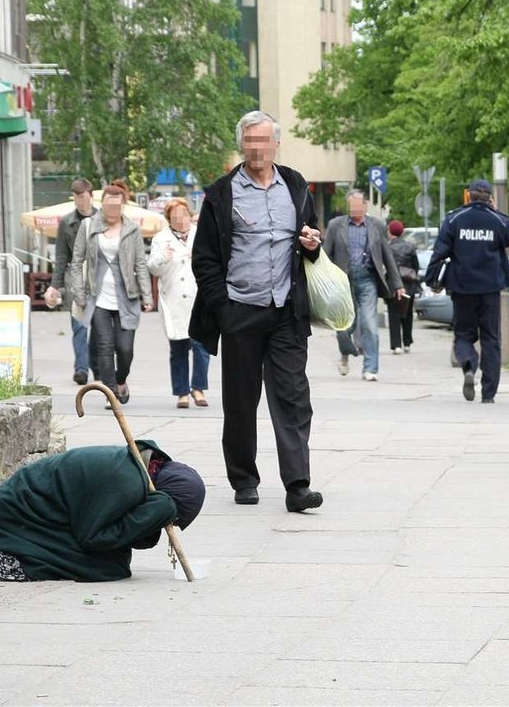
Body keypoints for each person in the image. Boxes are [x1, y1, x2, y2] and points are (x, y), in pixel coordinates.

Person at [189, 110, 324, 513]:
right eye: (250, 141)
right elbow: (205, 260)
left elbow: (311, 242)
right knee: (241, 401)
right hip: (240, 311)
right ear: (241, 144)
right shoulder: (221, 193)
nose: (257, 148)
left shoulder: (296, 186)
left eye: (264, 141)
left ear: (276, 144)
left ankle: (298, 486)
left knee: (294, 398)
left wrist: (312, 246)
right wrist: (223, 309)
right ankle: (244, 477)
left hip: (286, 311)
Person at [0, 441, 205, 581]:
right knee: (106, 568)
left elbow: (123, 533)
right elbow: (94, 538)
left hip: (30, 515)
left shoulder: (135, 470)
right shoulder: (126, 480)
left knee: (115, 561)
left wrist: (149, 520)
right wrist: (158, 511)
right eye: (171, 519)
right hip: (11, 522)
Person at [425, 178, 509, 403]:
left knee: (463, 335)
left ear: (468, 196)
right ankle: (488, 394)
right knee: (490, 338)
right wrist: (496, 211)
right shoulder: (497, 220)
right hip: (490, 289)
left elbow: (439, 252)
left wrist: (432, 279)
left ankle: (469, 366)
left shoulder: (454, 219)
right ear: (489, 198)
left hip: (462, 288)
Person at [70, 181, 152, 407]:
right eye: (108, 205)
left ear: (123, 206)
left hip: (127, 297)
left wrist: (147, 296)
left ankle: (121, 379)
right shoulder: (88, 226)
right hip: (98, 299)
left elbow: (141, 264)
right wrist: (79, 293)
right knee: (104, 347)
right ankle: (112, 393)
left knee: (125, 349)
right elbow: (76, 262)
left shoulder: (132, 229)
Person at [322, 191, 405, 381]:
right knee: (344, 325)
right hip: (344, 281)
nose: (356, 209)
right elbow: (325, 255)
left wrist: (397, 284)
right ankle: (345, 355)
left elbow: (387, 255)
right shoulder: (336, 225)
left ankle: (370, 368)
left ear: (365, 206)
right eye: (352, 205)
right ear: (348, 206)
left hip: (368, 280)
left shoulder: (376, 226)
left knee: (369, 324)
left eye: (359, 205)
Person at [148, 197, 211, 409]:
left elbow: (215, 259)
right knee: (179, 348)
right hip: (173, 299)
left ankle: (198, 388)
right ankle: (182, 392)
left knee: (202, 346)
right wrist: (164, 257)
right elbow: (153, 268)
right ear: (169, 219)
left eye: (183, 215)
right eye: (175, 217)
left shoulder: (201, 234)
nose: (181, 220)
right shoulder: (161, 239)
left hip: (199, 298)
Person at [44, 178, 98, 385]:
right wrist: (54, 286)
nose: (80, 202)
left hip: (99, 278)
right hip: (75, 279)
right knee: (79, 326)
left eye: (83, 197)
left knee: (99, 327)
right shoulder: (66, 222)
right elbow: (61, 258)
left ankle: (98, 367)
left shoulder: (102, 219)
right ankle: (81, 370)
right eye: (76, 197)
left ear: (91, 196)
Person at [386, 220, 420, 354]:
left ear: (390, 232)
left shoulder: (388, 247)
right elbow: (415, 266)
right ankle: (407, 342)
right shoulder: (410, 247)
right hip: (409, 285)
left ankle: (396, 345)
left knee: (393, 315)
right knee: (407, 314)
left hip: (392, 285)